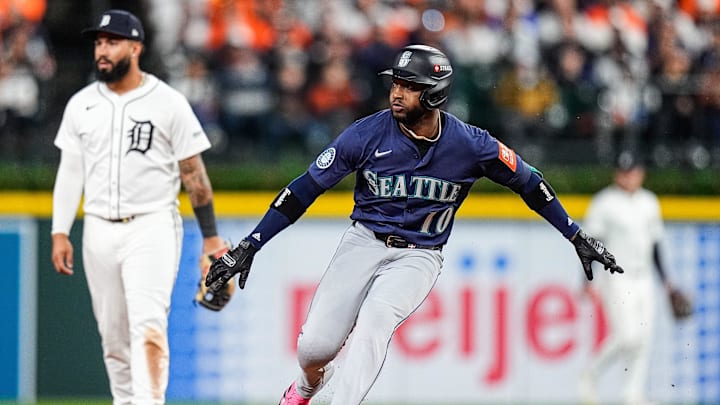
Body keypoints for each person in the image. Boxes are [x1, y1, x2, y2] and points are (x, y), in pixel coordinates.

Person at [204, 44, 624, 405]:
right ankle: (307, 385)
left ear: (435, 94)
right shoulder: (365, 135)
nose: (397, 92)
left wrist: (575, 234)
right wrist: (251, 244)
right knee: (314, 348)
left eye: (409, 86)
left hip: (419, 256)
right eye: (396, 83)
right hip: (363, 241)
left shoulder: (471, 145)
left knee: (373, 326)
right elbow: (303, 189)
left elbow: (531, 184)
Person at [50, 9, 225, 405]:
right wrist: (60, 229)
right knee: (113, 336)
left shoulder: (167, 102)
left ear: (136, 47)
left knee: (147, 326)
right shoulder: (81, 104)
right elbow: (70, 172)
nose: (102, 50)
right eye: (98, 42)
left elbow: (193, 174)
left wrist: (211, 237)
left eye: (112, 41)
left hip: (152, 225)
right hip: (97, 228)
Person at [578, 151, 680, 405]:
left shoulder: (649, 201)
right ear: (617, 174)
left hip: (644, 276)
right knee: (626, 337)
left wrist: (666, 280)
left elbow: (655, 245)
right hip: (617, 278)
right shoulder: (604, 202)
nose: (629, 176)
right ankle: (590, 374)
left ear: (641, 173)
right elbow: (590, 246)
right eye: (624, 171)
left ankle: (632, 395)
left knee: (644, 339)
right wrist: (587, 281)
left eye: (633, 171)